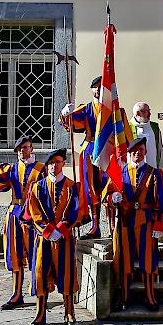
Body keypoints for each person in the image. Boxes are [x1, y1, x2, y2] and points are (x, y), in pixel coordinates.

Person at [0, 135, 46, 310]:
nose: (24, 151)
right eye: (21, 148)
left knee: (36, 254)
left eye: (27, 147)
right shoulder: (11, 169)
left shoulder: (41, 169)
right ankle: (17, 294)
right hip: (15, 214)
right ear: (17, 151)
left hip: (34, 217)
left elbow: (47, 194)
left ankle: (39, 290)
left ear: (32, 149)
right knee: (15, 255)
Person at [104, 137, 163, 311]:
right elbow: (106, 195)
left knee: (148, 260)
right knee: (125, 260)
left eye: (140, 150)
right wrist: (112, 198)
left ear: (145, 152)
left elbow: (161, 201)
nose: (137, 153)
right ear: (129, 153)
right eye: (133, 151)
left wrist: (159, 225)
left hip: (147, 222)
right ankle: (124, 297)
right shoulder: (119, 172)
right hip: (125, 221)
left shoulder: (155, 174)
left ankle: (150, 296)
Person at [26, 148, 81, 325]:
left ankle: (70, 312)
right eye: (50, 163)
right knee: (41, 274)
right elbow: (34, 214)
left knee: (66, 275)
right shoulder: (37, 187)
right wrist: (48, 231)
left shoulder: (72, 186)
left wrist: (62, 229)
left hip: (64, 239)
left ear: (63, 164)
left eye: (57, 162)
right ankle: (40, 315)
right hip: (44, 238)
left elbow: (75, 211)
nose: (53, 166)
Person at [59, 76, 108, 239]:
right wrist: (66, 114)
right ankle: (95, 226)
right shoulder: (86, 109)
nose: (98, 90)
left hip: (108, 150)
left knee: (109, 187)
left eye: (101, 87)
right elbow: (69, 123)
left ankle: (113, 226)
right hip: (90, 149)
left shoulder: (114, 110)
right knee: (91, 188)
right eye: (95, 87)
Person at [129, 101, 163, 175]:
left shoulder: (154, 127)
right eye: (146, 111)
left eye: (149, 111)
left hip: (153, 167)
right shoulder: (127, 127)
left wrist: (162, 169)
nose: (150, 114)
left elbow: (160, 148)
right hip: (134, 170)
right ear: (137, 113)